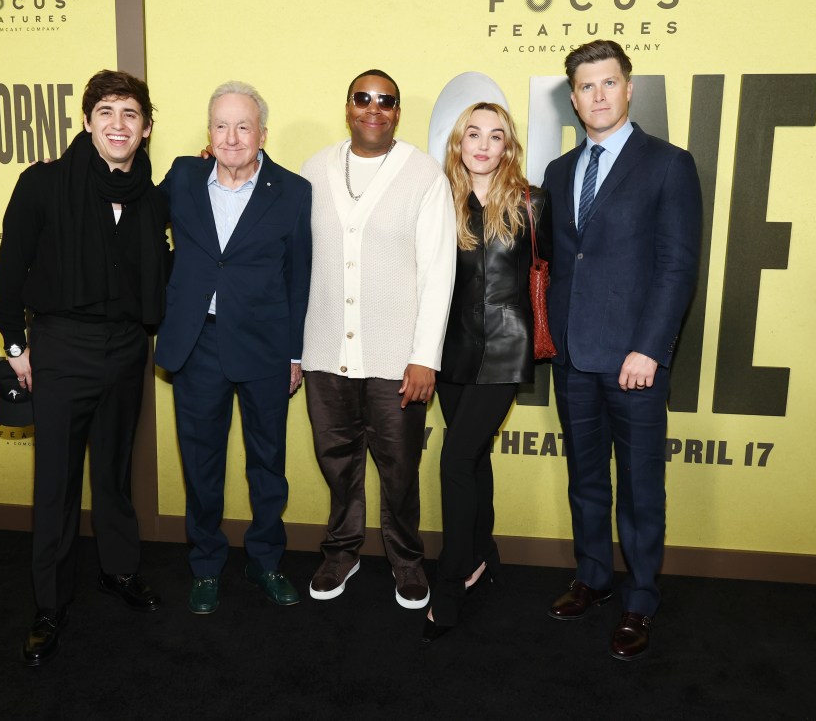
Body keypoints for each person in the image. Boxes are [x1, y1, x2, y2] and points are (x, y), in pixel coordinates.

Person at [0, 69, 170, 667]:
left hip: (126, 350)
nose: (118, 125)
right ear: (88, 121)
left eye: (131, 114)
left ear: (146, 129)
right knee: (57, 485)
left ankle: (118, 571)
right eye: (107, 112)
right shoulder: (43, 184)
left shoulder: (154, 196)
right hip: (60, 348)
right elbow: (8, 275)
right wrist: (18, 350)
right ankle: (48, 604)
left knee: (115, 476)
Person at [542, 40, 701, 660]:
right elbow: (560, 262)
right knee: (586, 479)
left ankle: (639, 598)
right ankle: (592, 576)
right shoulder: (559, 173)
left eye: (609, 83)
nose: (598, 96)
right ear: (574, 97)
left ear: (629, 88)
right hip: (574, 356)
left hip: (634, 359)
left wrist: (650, 348)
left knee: (639, 485)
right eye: (586, 86)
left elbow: (676, 267)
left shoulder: (668, 164)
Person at [153, 81, 312, 614]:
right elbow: (136, 226)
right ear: (208, 133)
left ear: (262, 133)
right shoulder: (181, 176)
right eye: (221, 125)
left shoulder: (292, 191)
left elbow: (299, 278)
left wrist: (295, 355)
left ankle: (266, 561)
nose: (232, 136)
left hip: (266, 346)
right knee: (201, 463)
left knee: (268, 463)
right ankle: (205, 565)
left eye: (243, 126)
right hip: (197, 341)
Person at [301, 69, 456, 609]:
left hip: (397, 360)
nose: (374, 108)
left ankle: (407, 563)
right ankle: (340, 552)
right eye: (363, 98)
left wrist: (424, 357)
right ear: (347, 106)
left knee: (399, 471)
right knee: (336, 464)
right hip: (324, 351)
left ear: (396, 111)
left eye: (386, 101)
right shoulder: (315, 170)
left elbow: (440, 273)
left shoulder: (425, 176)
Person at [422, 103, 547, 641]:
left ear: (507, 147)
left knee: (455, 459)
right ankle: (483, 552)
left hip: (505, 344)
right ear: (458, 142)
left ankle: (451, 580)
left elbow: (557, 271)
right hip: (448, 346)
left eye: (495, 137)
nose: (482, 144)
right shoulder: (435, 198)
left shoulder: (530, 202)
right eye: (473, 134)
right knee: (472, 458)